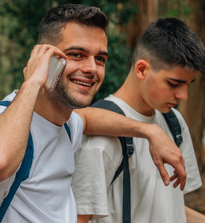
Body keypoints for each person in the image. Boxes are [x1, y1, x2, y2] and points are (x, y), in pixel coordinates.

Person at [0, 4, 186, 223]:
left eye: (100, 58)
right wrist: (32, 82)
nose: (92, 68)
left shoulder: (68, 123)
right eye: (77, 54)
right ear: (43, 58)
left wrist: (150, 131)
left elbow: (88, 119)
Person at [72, 17, 205, 223]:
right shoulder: (103, 137)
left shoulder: (174, 122)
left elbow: (173, 209)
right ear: (142, 69)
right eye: (174, 84)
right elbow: (78, 218)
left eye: (188, 84)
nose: (184, 96)